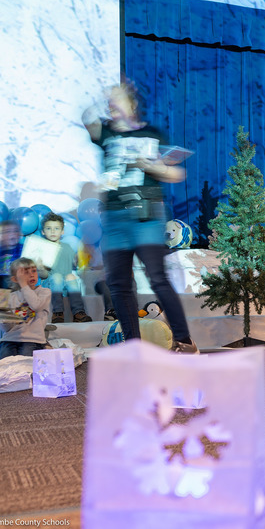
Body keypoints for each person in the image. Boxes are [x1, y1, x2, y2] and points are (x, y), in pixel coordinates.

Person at [83, 81, 197, 353]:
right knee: (119, 284)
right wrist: (102, 102)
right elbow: (87, 119)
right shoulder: (107, 132)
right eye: (109, 100)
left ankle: (184, 341)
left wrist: (152, 166)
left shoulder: (151, 132)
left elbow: (177, 173)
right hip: (115, 217)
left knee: (157, 277)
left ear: (132, 103)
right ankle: (132, 347)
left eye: (117, 98)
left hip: (146, 214)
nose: (112, 103)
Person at [36, 212, 92, 323]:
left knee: (71, 276)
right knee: (57, 276)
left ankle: (78, 312)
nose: (52, 231)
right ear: (43, 232)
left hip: (67, 285)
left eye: (56, 228)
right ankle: (58, 312)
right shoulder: (43, 248)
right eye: (49, 228)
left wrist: (80, 260)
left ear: (62, 232)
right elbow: (43, 276)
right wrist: (40, 268)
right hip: (50, 285)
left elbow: (74, 265)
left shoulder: (67, 247)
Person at [0, 257, 51, 359]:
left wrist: (23, 284)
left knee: (27, 360)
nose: (31, 274)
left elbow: (35, 306)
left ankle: (45, 346)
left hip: (33, 339)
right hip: (10, 339)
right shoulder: (10, 297)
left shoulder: (44, 292)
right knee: (5, 360)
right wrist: (4, 320)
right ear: (15, 279)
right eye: (25, 273)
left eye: (34, 271)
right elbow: (6, 329)